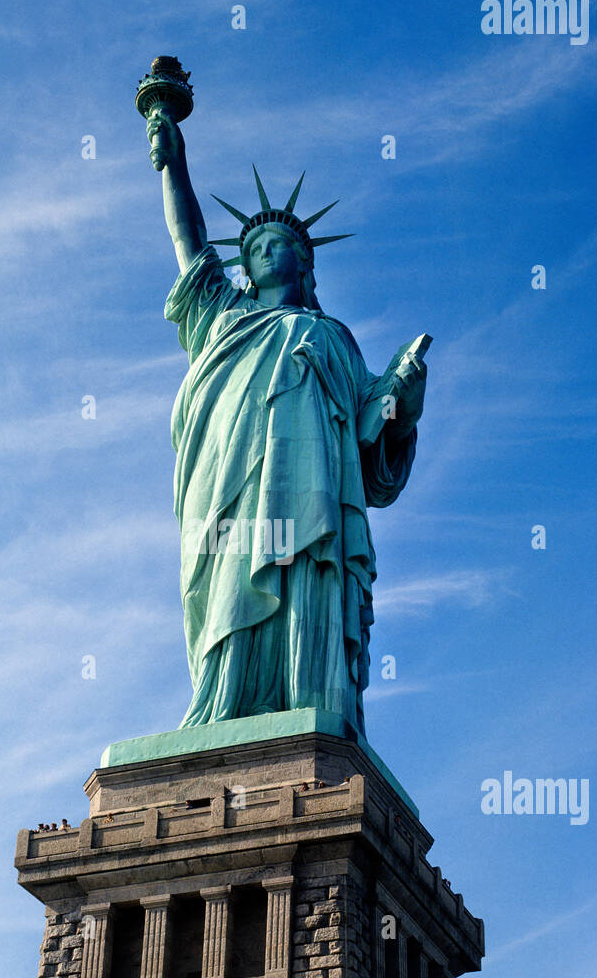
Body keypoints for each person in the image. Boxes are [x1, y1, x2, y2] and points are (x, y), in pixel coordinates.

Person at [147, 110, 428, 736]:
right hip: (232, 486)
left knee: (306, 575)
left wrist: (402, 404)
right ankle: (225, 707)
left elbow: (373, 453)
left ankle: (311, 697)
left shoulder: (333, 338)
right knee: (230, 579)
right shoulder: (223, 319)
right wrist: (174, 163)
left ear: (305, 262)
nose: (264, 254)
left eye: (278, 246)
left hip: (313, 502)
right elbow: (189, 243)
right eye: (253, 250)